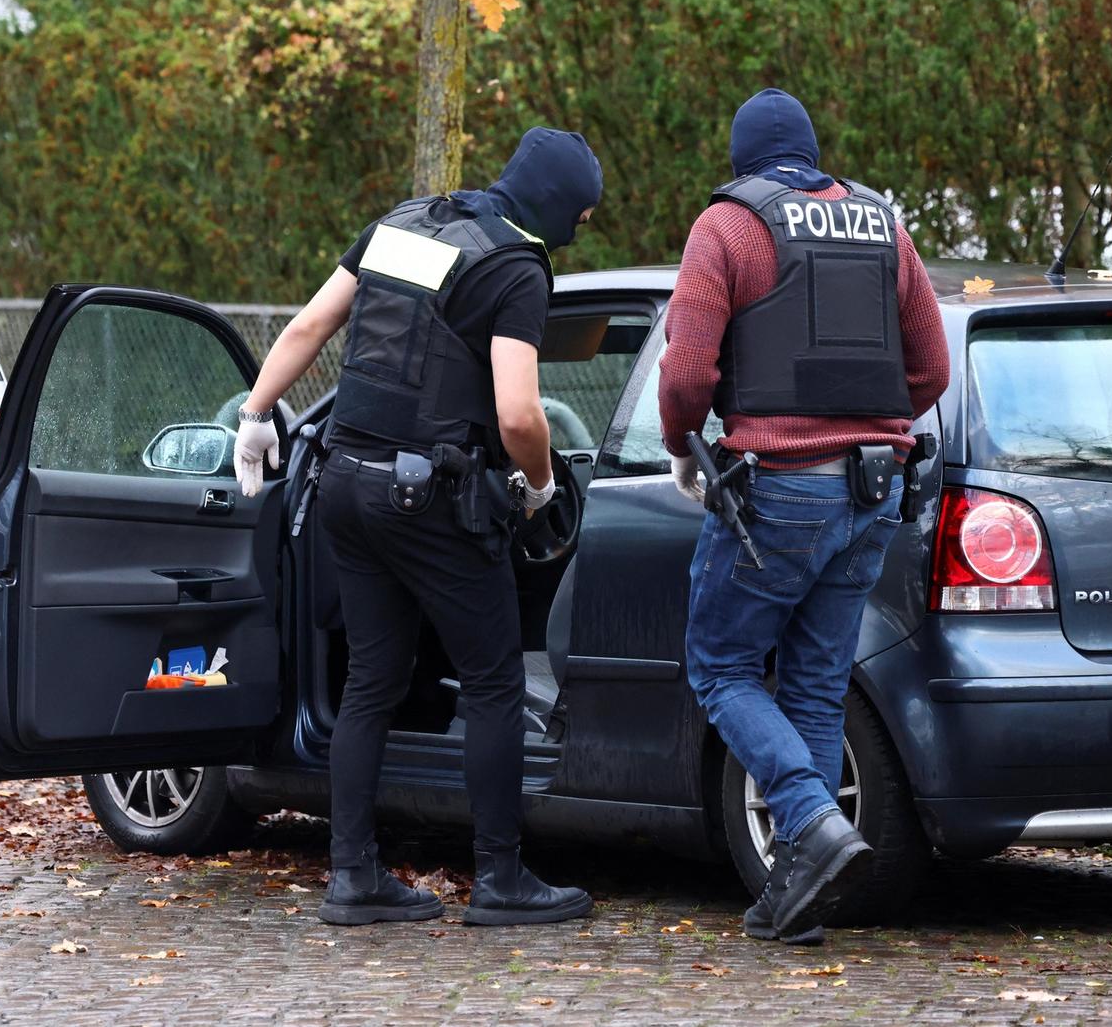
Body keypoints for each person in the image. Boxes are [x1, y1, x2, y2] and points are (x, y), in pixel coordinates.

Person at [233, 127, 603, 927]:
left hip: (343, 481)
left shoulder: (402, 222)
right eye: (582, 215)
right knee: (495, 679)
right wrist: (541, 484)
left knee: (371, 677)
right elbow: (518, 413)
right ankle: (501, 879)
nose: (579, 229)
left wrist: (256, 414)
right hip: (428, 500)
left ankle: (353, 875)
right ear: (558, 206)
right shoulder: (516, 266)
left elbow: (306, 328)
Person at [659, 89, 950, 943]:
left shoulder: (728, 226)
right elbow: (930, 368)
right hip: (873, 490)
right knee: (816, 686)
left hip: (780, 486)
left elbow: (685, 374)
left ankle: (809, 819)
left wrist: (683, 444)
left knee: (720, 666)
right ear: (813, 155)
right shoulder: (882, 225)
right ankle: (800, 890)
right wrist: (865, 422)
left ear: (742, 159)